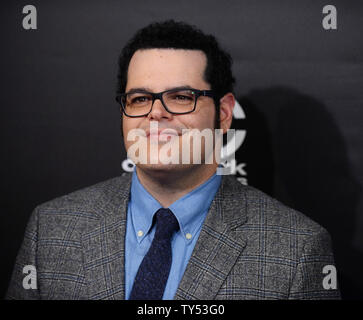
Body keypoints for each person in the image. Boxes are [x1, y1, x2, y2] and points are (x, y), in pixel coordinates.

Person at [6, 20, 340, 300]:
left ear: (223, 115)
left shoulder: (297, 249)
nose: (156, 113)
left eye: (181, 97)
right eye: (140, 98)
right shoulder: (50, 228)